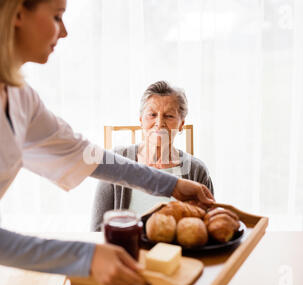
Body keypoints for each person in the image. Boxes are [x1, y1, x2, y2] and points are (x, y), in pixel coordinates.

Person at [0, 0, 215, 285]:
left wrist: (171, 185)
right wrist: (86, 257)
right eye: (57, 16)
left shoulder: (17, 95)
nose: (65, 31)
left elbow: (85, 154)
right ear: (18, 13)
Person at [91, 81, 214, 231]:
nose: (159, 123)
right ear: (141, 120)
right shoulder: (115, 161)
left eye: (169, 116)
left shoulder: (197, 171)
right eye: (152, 115)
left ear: (181, 124)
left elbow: (208, 227)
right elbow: (97, 230)